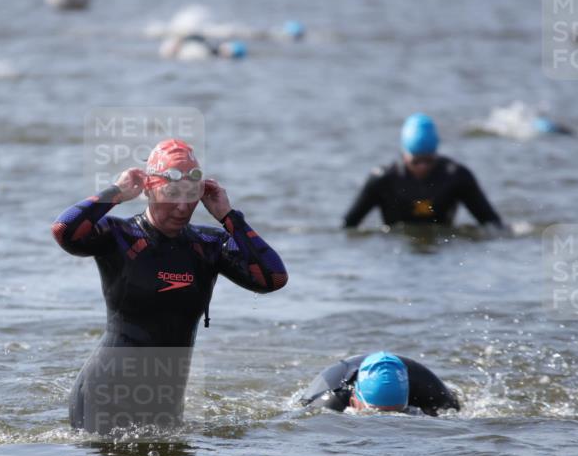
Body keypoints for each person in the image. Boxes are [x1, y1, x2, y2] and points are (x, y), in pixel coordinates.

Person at [52, 139, 288, 433]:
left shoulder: (208, 245)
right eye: (172, 194)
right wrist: (115, 192)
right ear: (149, 189)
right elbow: (64, 230)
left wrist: (230, 218)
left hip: (165, 403)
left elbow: (273, 278)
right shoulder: (120, 236)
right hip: (104, 397)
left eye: (191, 195)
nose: (182, 207)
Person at [344, 113, 503, 229]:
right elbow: (348, 226)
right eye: (416, 161)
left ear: (436, 154)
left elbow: (491, 223)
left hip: (441, 248)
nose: (422, 167)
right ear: (404, 155)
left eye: (428, 160)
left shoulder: (456, 176)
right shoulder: (383, 179)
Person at [301, 351, 460, 416]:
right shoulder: (326, 399)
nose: (388, 418)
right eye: (375, 412)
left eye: (398, 411)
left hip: (413, 373)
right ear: (354, 399)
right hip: (341, 373)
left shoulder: (431, 390)